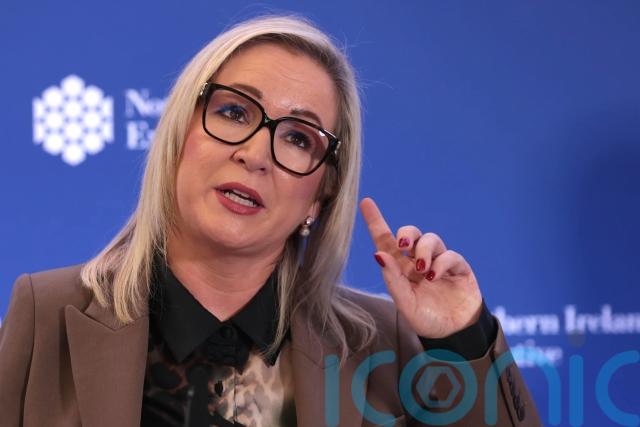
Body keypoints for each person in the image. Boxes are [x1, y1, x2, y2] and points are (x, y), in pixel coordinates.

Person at [0, 14, 540, 427]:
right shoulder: (48, 314)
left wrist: (462, 341)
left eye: (298, 138)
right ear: (179, 136)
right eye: (234, 112)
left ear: (319, 195)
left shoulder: (381, 342)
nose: (256, 154)